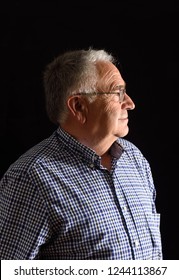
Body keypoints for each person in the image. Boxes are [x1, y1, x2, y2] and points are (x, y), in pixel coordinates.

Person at [0, 48, 162, 260]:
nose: (130, 103)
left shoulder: (135, 160)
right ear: (79, 106)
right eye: (118, 93)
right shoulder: (31, 178)